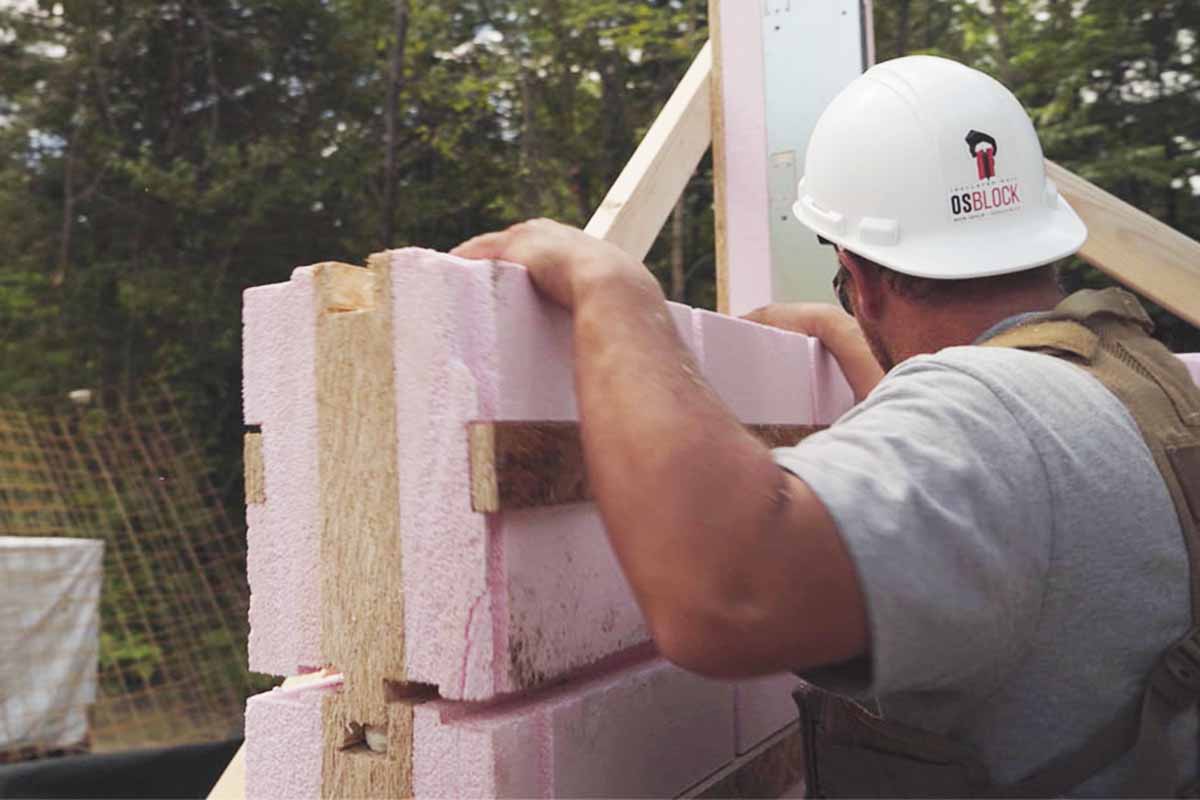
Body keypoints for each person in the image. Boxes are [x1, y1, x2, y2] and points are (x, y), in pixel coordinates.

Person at [452, 55, 1200, 797]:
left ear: (861, 276)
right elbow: (988, 487)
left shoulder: (991, 427)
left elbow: (725, 594)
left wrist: (612, 291)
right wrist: (839, 334)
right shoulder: (1129, 376)